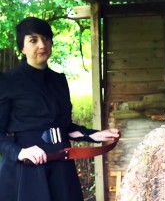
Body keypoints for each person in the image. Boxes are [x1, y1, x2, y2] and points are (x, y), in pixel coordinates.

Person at [0, 17, 120, 201]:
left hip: (61, 167)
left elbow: (65, 127)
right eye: (33, 40)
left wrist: (93, 135)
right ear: (22, 48)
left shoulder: (59, 80)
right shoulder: (8, 82)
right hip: (27, 170)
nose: (42, 45)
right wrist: (20, 152)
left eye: (46, 39)